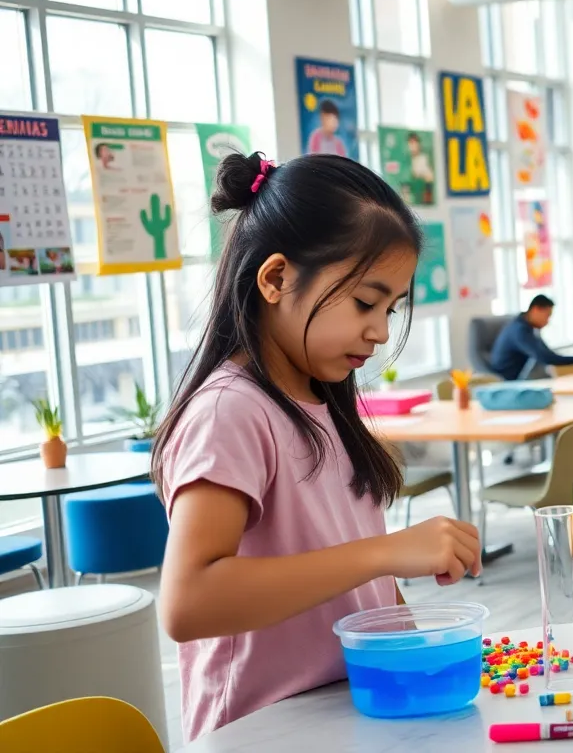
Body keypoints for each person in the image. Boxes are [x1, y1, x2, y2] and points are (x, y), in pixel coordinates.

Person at [152, 152, 482, 742]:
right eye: (365, 302)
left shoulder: (324, 401)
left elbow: (355, 581)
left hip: (343, 719)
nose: (380, 330)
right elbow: (187, 603)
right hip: (261, 733)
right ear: (276, 278)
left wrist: (409, 642)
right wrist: (385, 553)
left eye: (391, 309)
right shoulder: (232, 410)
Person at [490, 294, 573, 381]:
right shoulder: (519, 330)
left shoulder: (528, 328)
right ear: (536, 309)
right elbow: (546, 358)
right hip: (510, 382)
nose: (547, 321)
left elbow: (547, 353)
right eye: (547, 315)